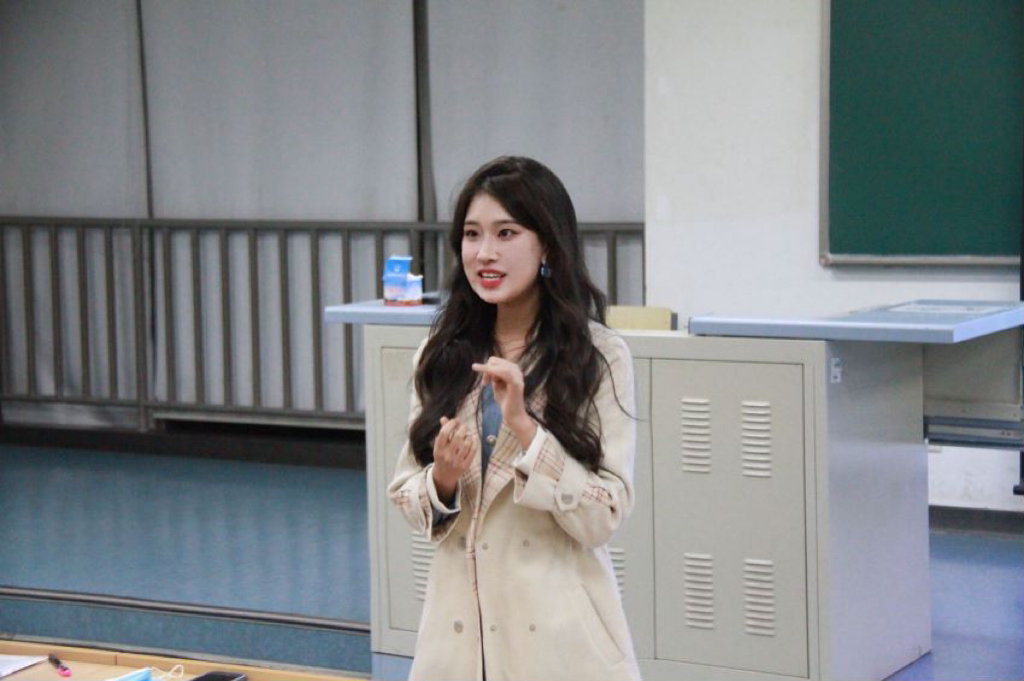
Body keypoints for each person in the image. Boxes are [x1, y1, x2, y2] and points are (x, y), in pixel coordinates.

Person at [388, 156, 640, 681]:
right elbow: (408, 495)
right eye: (472, 234)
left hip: (557, 641)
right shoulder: (441, 354)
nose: (485, 252)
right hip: (460, 638)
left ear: (547, 244)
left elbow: (602, 517)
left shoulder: (597, 356)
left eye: (506, 233)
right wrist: (443, 478)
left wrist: (526, 429)